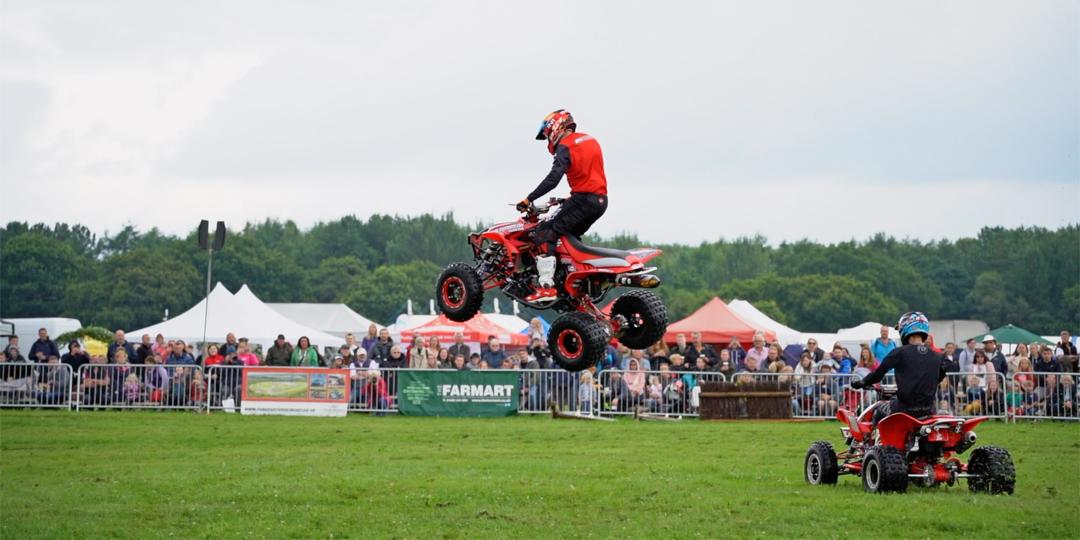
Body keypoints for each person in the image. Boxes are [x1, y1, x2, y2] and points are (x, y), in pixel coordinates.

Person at [517, 109, 608, 302]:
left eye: (547, 134)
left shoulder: (565, 146)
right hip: (600, 201)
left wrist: (529, 198)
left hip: (584, 199)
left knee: (544, 233)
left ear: (556, 127)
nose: (548, 139)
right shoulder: (590, 140)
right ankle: (574, 280)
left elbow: (553, 178)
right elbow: (588, 174)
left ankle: (547, 287)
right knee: (567, 237)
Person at [851, 312, 946, 428]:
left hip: (903, 409)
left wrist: (862, 382)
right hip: (929, 410)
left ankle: (873, 443)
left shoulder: (900, 352)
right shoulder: (938, 356)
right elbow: (938, 378)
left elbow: (878, 374)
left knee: (879, 408)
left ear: (905, 328)